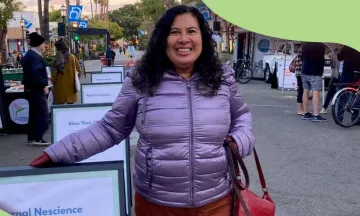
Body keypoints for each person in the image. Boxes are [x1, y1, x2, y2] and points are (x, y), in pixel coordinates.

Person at [29, 5, 255, 216]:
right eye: (174, 32)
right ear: (162, 39)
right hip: (156, 204)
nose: (184, 39)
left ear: (202, 38)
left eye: (192, 31)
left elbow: (241, 116)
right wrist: (59, 152)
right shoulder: (142, 79)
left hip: (216, 202)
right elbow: (110, 129)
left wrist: (238, 142)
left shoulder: (222, 77)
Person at [21, 32, 50, 146]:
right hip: (36, 89)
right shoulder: (35, 57)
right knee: (41, 112)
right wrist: (44, 85)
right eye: (43, 43)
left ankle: (32, 138)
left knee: (33, 113)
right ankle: (37, 137)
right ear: (38, 44)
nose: (44, 45)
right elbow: (36, 74)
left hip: (30, 89)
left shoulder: (29, 55)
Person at [301, 42, 327, 122]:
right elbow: (321, 59)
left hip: (305, 70)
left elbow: (302, 57)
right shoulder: (321, 45)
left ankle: (306, 113)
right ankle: (315, 114)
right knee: (316, 93)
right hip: (315, 72)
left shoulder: (305, 44)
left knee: (305, 91)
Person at [50, 38, 81, 105]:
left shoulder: (57, 59)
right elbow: (78, 70)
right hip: (71, 86)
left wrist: (52, 81)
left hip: (60, 86)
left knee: (60, 108)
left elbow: (54, 73)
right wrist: (76, 79)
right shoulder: (72, 57)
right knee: (70, 108)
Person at [320, 44, 343, 114]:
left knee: (344, 93)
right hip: (336, 74)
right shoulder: (334, 53)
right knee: (330, 91)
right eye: (339, 44)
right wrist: (331, 60)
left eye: (341, 45)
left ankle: (344, 109)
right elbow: (332, 66)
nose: (340, 46)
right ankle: (324, 108)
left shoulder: (348, 52)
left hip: (344, 74)